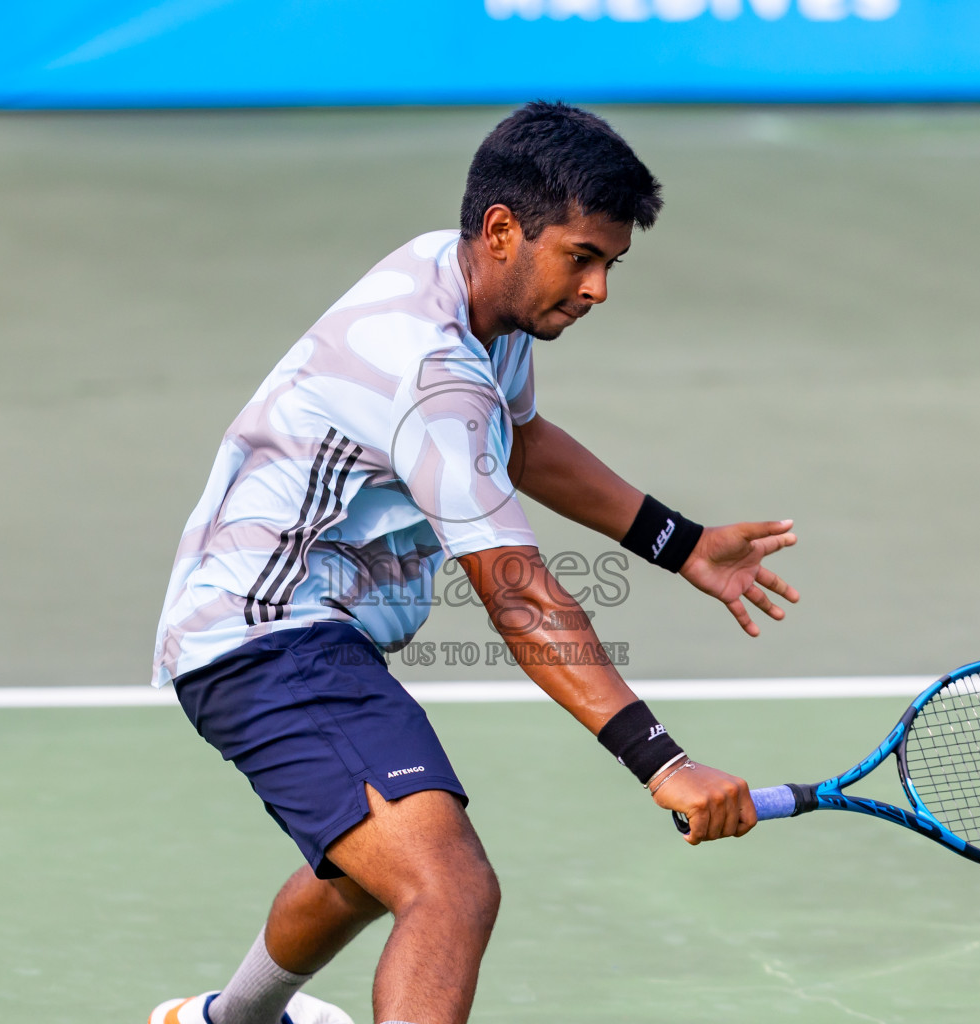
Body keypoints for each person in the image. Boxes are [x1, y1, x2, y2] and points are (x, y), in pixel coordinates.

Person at [147, 101, 799, 1024]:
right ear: (502, 231)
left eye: (611, 263)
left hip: (290, 625)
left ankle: (228, 1022)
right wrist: (664, 763)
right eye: (582, 257)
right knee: (451, 889)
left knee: (374, 860)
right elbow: (520, 597)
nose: (599, 288)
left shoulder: (461, 283)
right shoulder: (434, 375)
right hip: (266, 639)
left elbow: (520, 443)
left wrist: (680, 542)